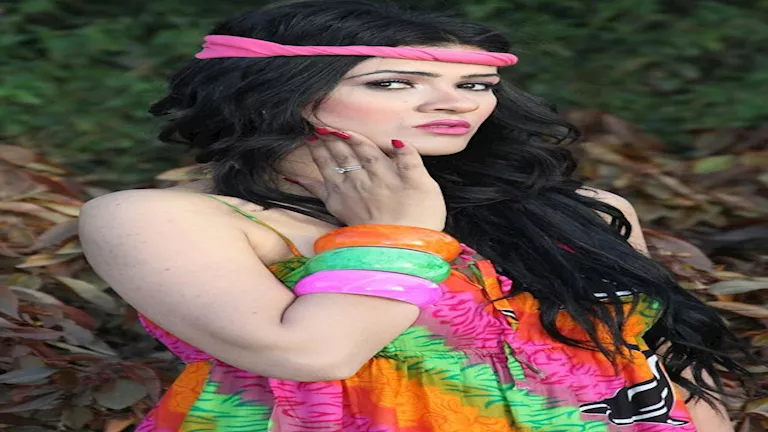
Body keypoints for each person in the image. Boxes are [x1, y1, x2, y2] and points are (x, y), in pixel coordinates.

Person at [78, 1, 749, 430]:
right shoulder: (164, 218)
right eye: (394, 82)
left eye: (475, 84)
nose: (454, 103)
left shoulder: (582, 213)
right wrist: (398, 233)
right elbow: (312, 353)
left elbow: (660, 368)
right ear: (278, 93)